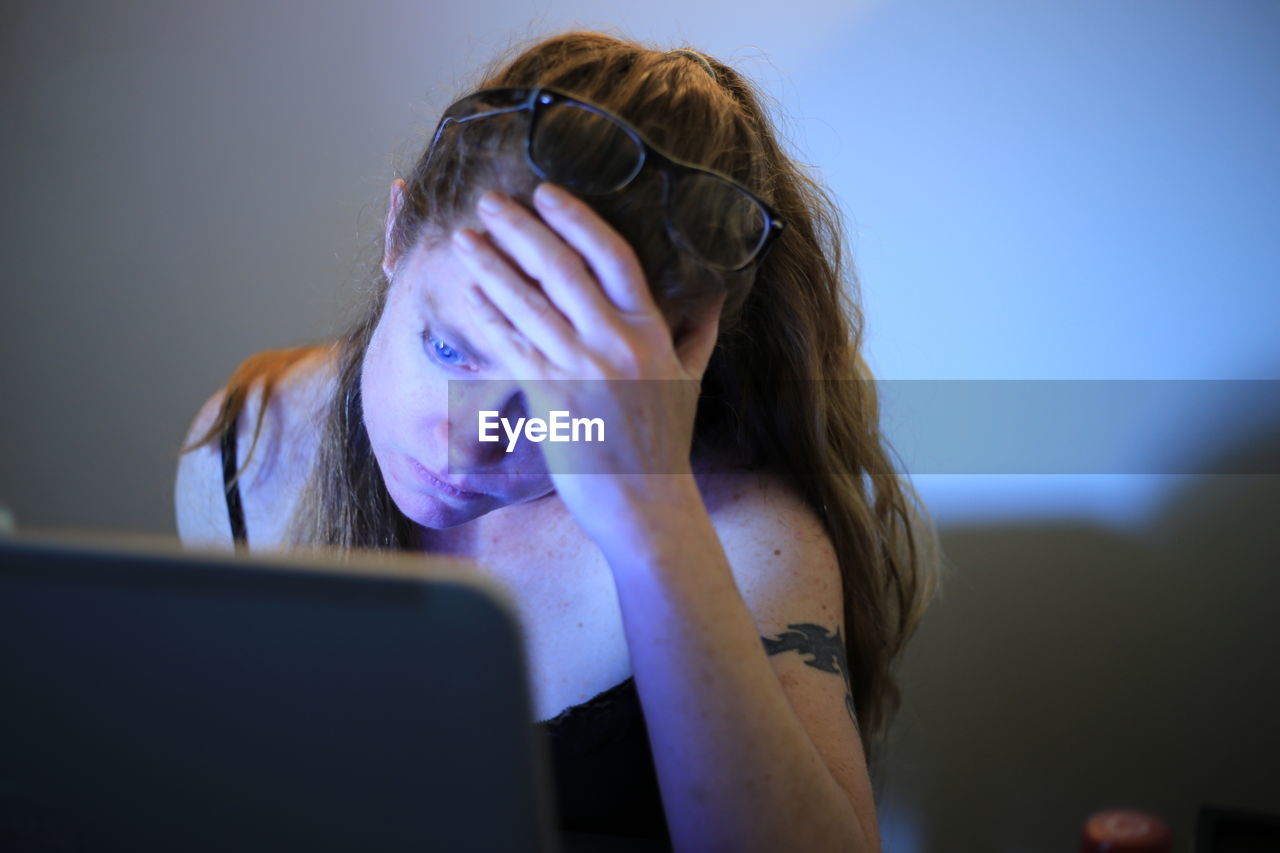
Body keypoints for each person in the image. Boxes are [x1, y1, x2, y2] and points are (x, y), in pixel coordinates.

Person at [174, 29, 943, 851]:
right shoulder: (249, 448)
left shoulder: (743, 538)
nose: (466, 441)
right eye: (447, 348)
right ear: (397, 236)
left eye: (551, 398)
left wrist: (652, 521)